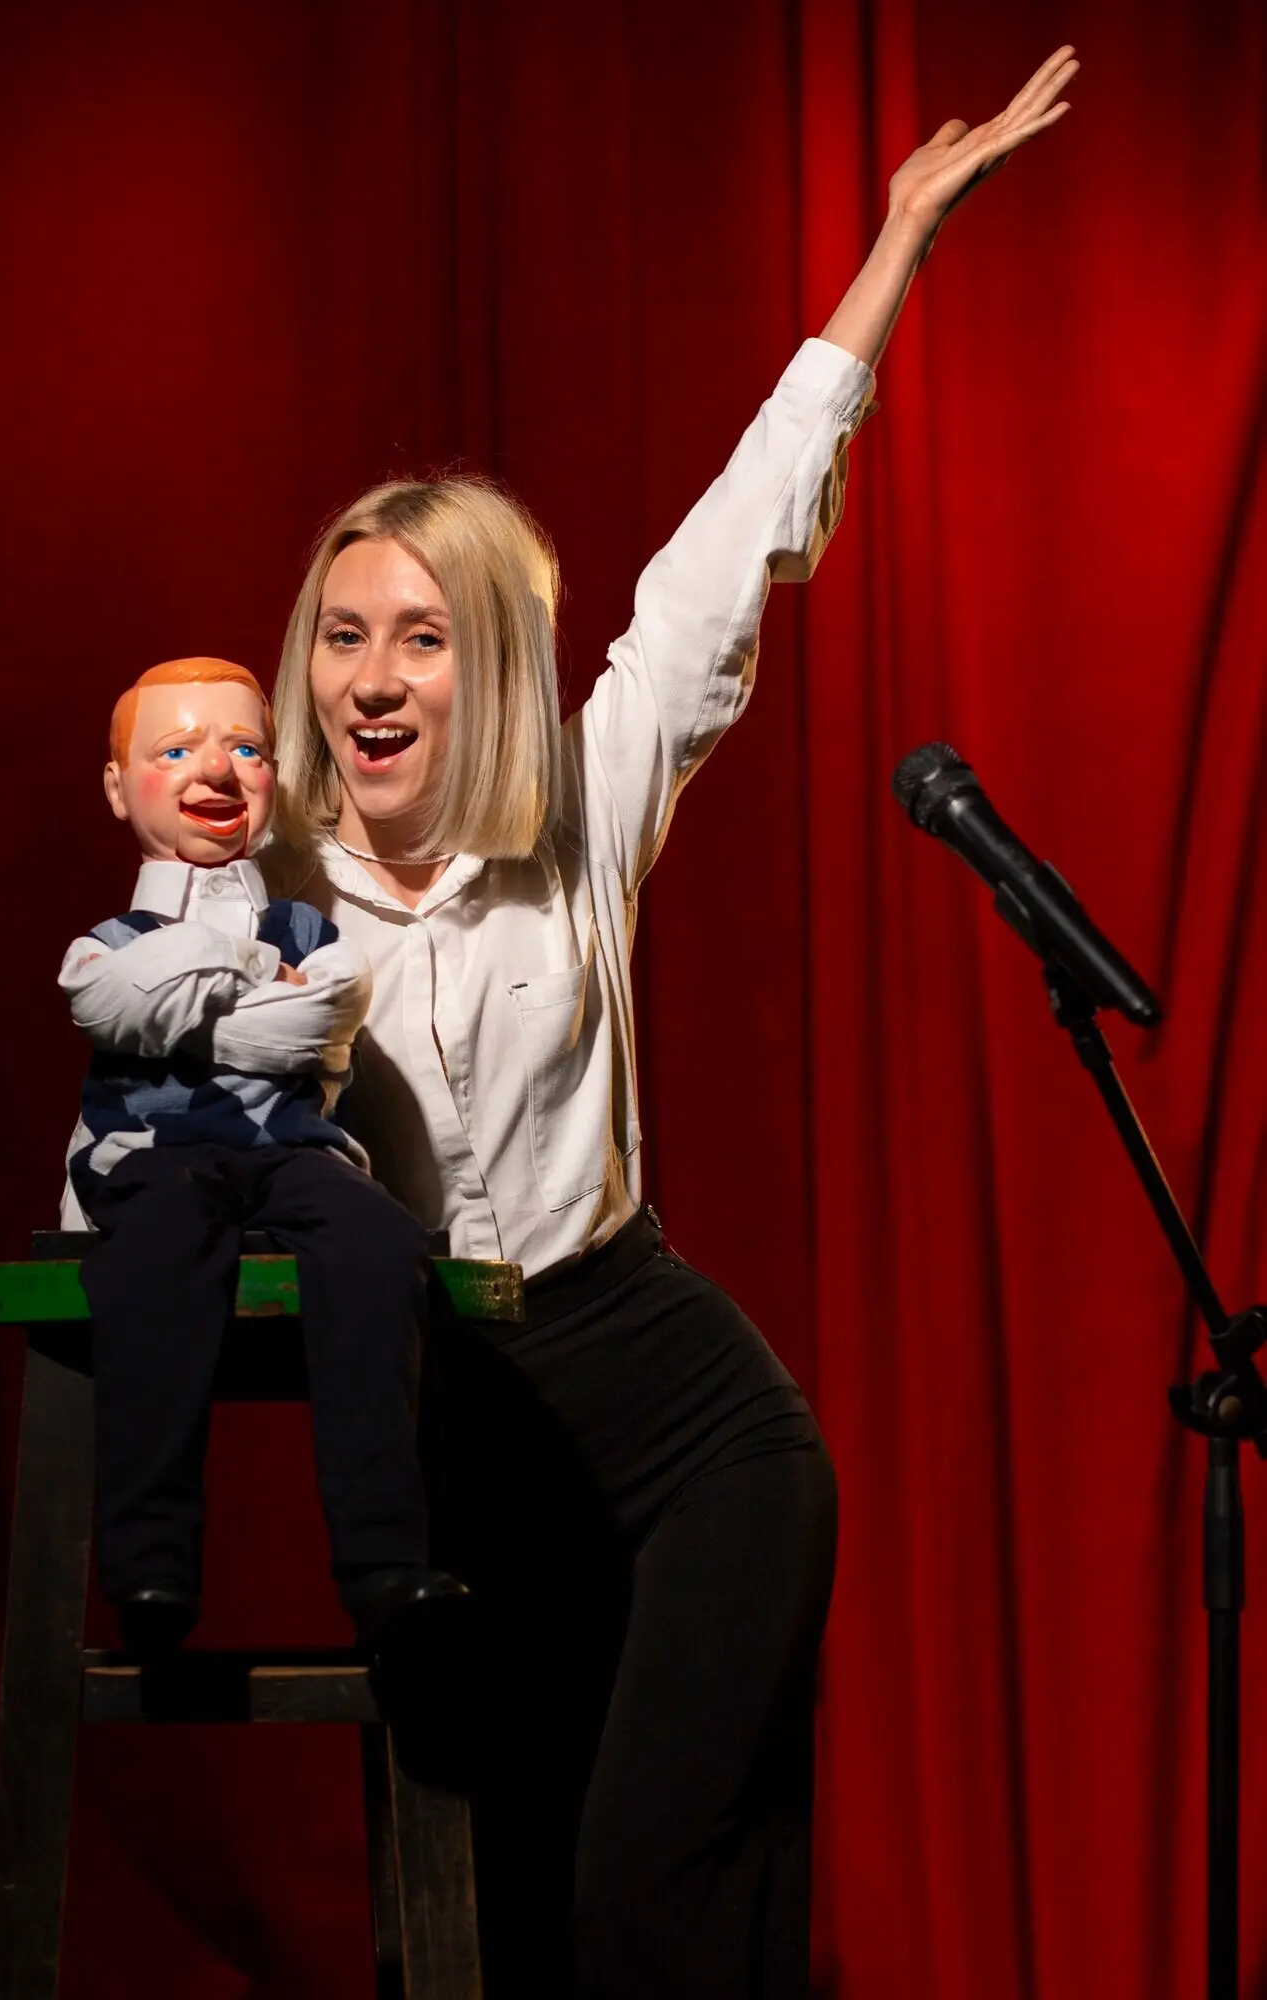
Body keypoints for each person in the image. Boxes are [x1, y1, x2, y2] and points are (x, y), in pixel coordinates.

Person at [264, 48, 1080, 1999]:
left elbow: (729, 557)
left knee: (652, 1910)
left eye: (421, 635)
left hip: (681, 1421)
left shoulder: (579, 797)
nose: (373, 675)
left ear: (489, 662)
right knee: (502, 1927)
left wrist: (894, 244)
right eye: (343, 634)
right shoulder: (265, 899)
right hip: (469, 1442)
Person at [58, 656, 462, 1654]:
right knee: (157, 1247)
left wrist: (184, 1008)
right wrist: (245, 964)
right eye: (176, 749)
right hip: (153, 1155)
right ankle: (150, 1562)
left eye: (246, 747)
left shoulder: (310, 931)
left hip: (293, 1151)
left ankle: (383, 1561)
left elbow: (315, 1022)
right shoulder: (106, 942)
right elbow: (109, 1001)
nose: (216, 769)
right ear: (119, 787)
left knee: (380, 1241)